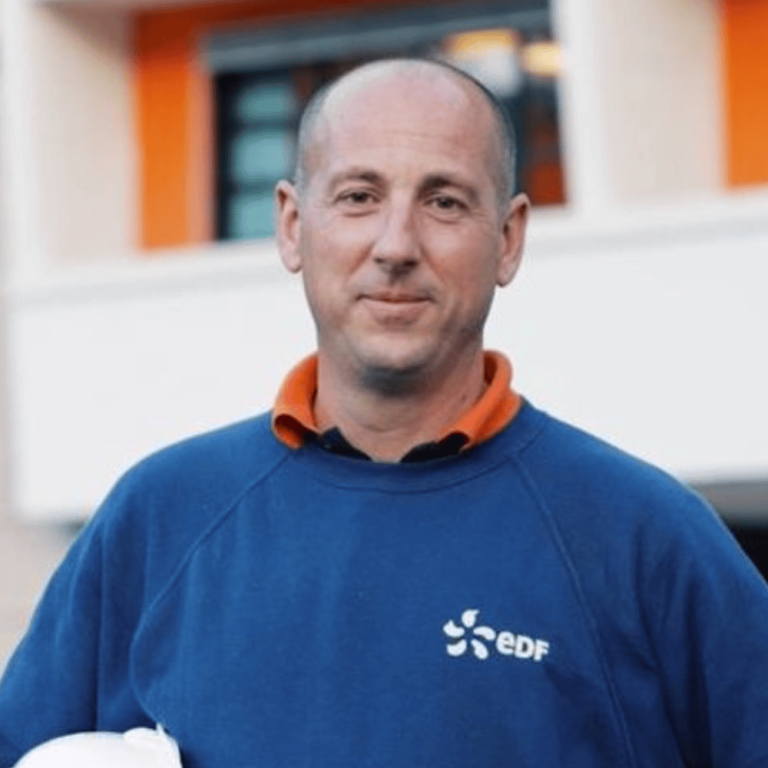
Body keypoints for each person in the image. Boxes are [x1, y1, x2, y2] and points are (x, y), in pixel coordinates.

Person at [1, 57, 767, 768]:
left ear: (508, 240)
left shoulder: (645, 538)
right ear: (292, 226)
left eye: (444, 201)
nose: (396, 245)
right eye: (359, 197)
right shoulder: (160, 516)